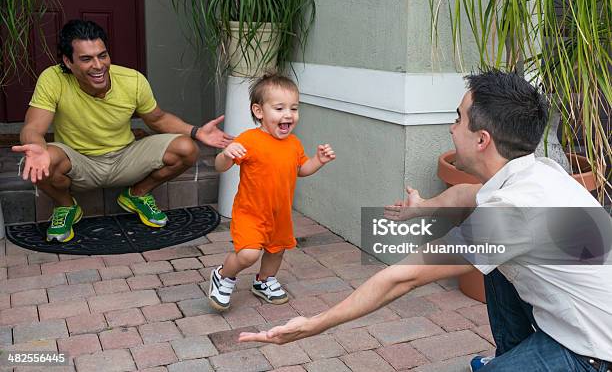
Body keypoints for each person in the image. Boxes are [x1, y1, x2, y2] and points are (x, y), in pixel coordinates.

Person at [239, 70, 612, 372]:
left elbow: (405, 277)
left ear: (482, 139)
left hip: (592, 350)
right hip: (577, 318)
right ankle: (511, 355)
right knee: (491, 257)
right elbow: (469, 196)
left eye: (458, 119)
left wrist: (313, 325)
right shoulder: (535, 172)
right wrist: (426, 207)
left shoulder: (512, 212)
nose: (451, 128)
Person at [12, 19, 233, 243]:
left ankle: (136, 195)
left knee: (186, 148)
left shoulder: (132, 80)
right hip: (79, 161)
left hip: (125, 158)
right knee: (40, 161)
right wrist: (37, 148)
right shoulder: (53, 79)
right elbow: (33, 127)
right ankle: (66, 206)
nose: (98, 65)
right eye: (86, 59)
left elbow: (158, 119)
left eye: (102, 55)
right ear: (68, 62)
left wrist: (196, 132)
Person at [209, 73, 335, 311]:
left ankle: (263, 282)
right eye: (279, 108)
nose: (288, 114)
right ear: (259, 111)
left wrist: (318, 161)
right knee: (248, 254)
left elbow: (301, 170)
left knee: (276, 252)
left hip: (280, 214)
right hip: (251, 213)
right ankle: (224, 276)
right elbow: (220, 166)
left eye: (294, 108)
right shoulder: (250, 140)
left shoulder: (294, 144)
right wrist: (226, 154)